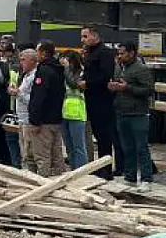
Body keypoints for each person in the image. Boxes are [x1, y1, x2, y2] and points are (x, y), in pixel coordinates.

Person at [80, 26, 124, 179]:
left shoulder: (104, 53)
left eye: (85, 36)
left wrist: (87, 83)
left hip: (102, 100)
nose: (83, 40)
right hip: (92, 99)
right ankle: (101, 166)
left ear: (95, 35)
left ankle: (106, 169)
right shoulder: (91, 53)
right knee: (98, 136)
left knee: (104, 136)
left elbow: (105, 76)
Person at [112, 41, 156, 188]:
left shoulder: (141, 69)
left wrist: (127, 87)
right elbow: (118, 86)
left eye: (122, 53)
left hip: (138, 114)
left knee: (141, 147)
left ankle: (146, 179)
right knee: (127, 147)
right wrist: (113, 87)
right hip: (122, 112)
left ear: (131, 53)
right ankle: (130, 177)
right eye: (118, 53)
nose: (120, 56)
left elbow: (149, 90)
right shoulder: (119, 68)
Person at [27, 41, 67, 177]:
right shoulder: (58, 69)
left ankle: (44, 183)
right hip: (56, 119)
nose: (36, 54)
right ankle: (61, 181)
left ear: (44, 53)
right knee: (57, 155)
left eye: (37, 51)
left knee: (42, 156)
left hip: (43, 122)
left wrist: (35, 120)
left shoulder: (43, 70)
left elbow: (39, 96)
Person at [61, 50, 89, 170]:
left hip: (77, 113)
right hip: (64, 113)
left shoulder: (82, 72)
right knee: (69, 147)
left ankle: (81, 173)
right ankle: (73, 170)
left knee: (79, 147)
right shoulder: (65, 73)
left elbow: (73, 84)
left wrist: (66, 68)